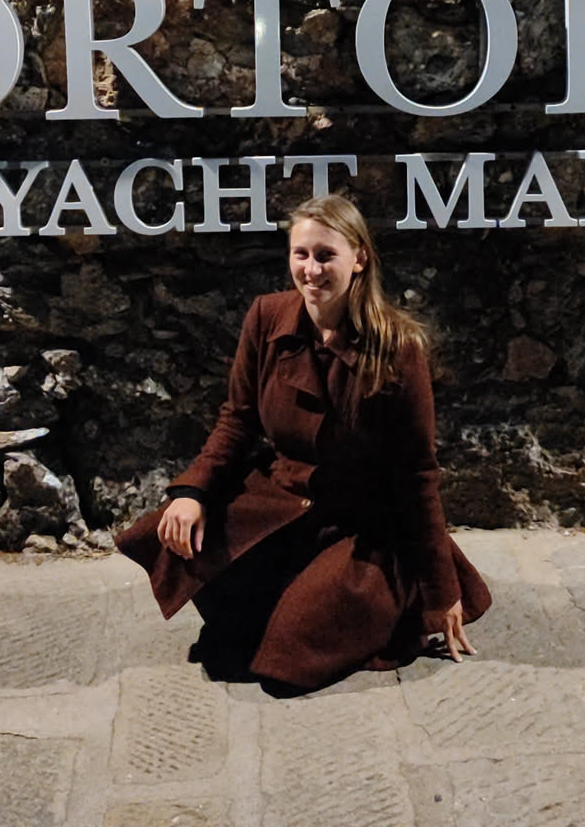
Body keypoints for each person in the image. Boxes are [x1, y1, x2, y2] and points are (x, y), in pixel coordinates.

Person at [116, 193, 491, 693]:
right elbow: (237, 420)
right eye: (301, 254)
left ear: (359, 259)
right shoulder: (267, 317)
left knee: (288, 662)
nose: (311, 270)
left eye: (325, 255)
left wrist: (439, 591)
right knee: (193, 565)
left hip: (363, 525)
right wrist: (193, 492)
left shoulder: (398, 348)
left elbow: (417, 475)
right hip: (285, 500)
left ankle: (392, 598)